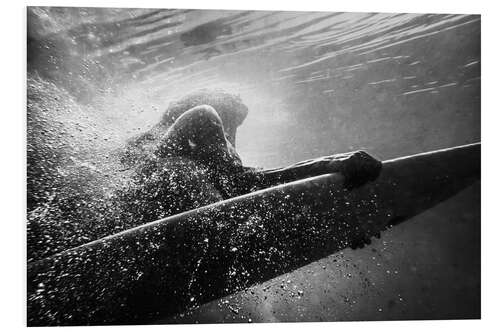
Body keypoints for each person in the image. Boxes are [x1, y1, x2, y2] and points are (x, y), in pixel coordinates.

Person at [117, 90, 382, 229]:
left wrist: (341, 224)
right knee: (205, 121)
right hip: (134, 209)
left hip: (152, 207)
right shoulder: (200, 119)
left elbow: (246, 190)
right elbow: (243, 184)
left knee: (229, 184)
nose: (230, 136)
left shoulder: (204, 168)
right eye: (231, 121)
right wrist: (330, 164)